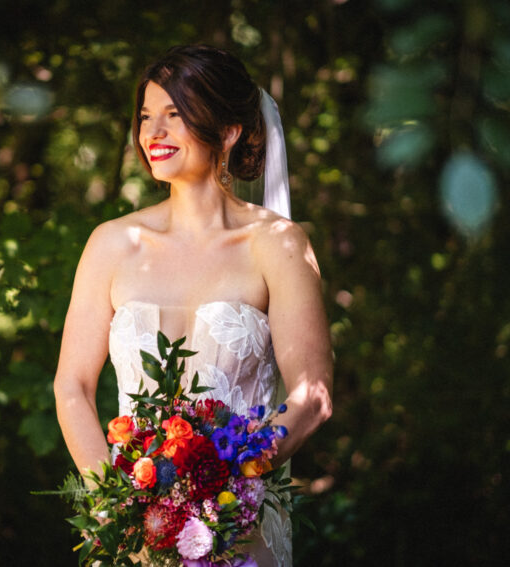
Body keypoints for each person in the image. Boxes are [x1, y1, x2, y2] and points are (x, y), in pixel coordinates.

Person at [54, 44, 333, 567]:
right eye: (145, 117)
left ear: (227, 131)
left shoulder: (278, 243)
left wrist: (228, 483)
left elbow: (311, 396)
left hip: (239, 524)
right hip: (134, 529)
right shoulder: (112, 244)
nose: (152, 133)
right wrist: (116, 504)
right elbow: (72, 385)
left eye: (174, 116)